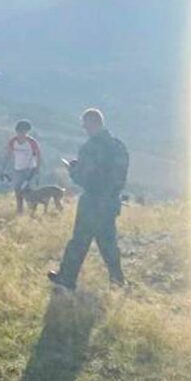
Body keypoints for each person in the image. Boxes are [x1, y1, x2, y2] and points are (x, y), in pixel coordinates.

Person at [48, 108, 129, 290]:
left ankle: (67, 279)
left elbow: (83, 178)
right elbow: (120, 177)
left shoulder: (90, 147)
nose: (85, 129)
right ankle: (118, 281)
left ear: (92, 123)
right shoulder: (119, 146)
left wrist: (72, 169)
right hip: (110, 201)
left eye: (85, 125)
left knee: (79, 241)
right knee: (108, 242)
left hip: (92, 201)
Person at [0, 120, 42, 214]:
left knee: (28, 192)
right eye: (20, 131)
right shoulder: (13, 142)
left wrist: (37, 170)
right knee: (18, 191)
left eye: (24, 132)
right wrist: (2, 169)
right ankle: (20, 212)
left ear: (27, 132)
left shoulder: (32, 142)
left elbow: (38, 156)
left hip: (30, 170)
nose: (21, 134)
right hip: (18, 169)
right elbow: (8, 155)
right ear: (16, 131)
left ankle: (32, 212)